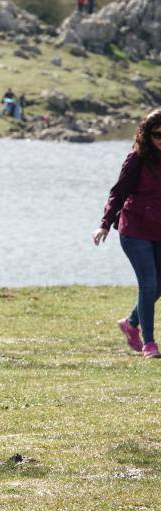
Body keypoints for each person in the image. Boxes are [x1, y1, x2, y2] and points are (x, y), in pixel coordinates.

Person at [93, 108, 161, 359]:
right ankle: (149, 343)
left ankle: (130, 323)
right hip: (135, 229)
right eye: (157, 134)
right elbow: (118, 193)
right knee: (148, 284)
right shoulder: (137, 159)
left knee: (159, 285)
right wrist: (104, 224)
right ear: (146, 135)